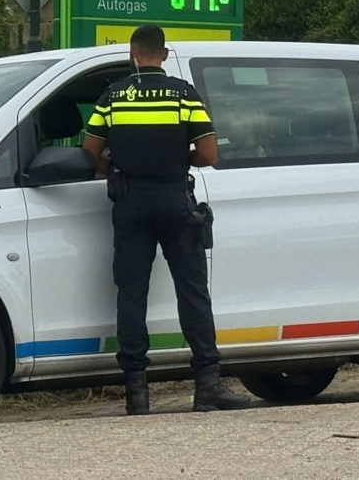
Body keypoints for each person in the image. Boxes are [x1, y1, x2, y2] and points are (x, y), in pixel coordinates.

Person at [82, 25, 250, 416]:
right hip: (175, 199)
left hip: (130, 202)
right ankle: (208, 386)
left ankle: (136, 394)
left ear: (132, 53)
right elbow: (208, 154)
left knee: (130, 293)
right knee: (192, 291)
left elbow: (90, 153)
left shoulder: (112, 97)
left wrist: (116, 166)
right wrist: (178, 160)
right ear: (165, 53)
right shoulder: (183, 95)